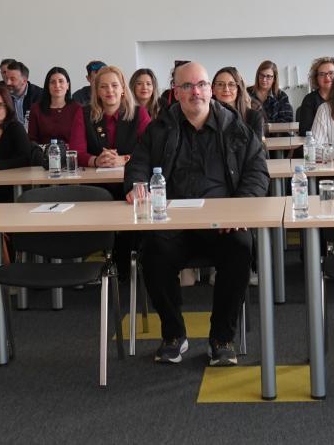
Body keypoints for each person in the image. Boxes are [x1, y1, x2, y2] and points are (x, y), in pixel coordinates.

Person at [124, 61, 268, 366]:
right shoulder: (160, 127)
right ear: (176, 92)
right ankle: (174, 334)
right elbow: (138, 163)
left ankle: (222, 338)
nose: (196, 92)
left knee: (241, 246)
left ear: (210, 90)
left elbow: (257, 169)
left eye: (201, 85)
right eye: (187, 86)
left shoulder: (233, 126)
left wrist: (239, 208)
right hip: (172, 225)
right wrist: (137, 184)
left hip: (222, 225)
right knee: (152, 250)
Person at [85, 66, 151, 172]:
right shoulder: (84, 113)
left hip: (132, 176)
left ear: (123, 88)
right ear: (97, 91)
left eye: (114, 85)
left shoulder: (140, 113)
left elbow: (151, 149)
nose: (109, 90)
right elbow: (76, 152)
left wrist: (125, 159)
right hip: (93, 179)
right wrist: (96, 160)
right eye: (103, 86)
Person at [27, 67, 89, 162]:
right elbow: (32, 140)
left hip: (71, 159)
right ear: (47, 86)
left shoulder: (77, 109)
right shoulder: (36, 109)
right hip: (43, 159)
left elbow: (81, 141)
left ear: (67, 85)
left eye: (61, 81)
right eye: (53, 82)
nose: (57, 85)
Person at [213, 67, 265, 139]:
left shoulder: (254, 117)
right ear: (213, 89)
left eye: (231, 84)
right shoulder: (205, 117)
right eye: (220, 84)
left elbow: (256, 146)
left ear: (238, 89)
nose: (226, 89)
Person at [295, 57, 334, 135]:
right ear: (316, 78)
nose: (327, 77)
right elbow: (305, 131)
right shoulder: (309, 100)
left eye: (331, 73)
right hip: (318, 141)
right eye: (322, 74)